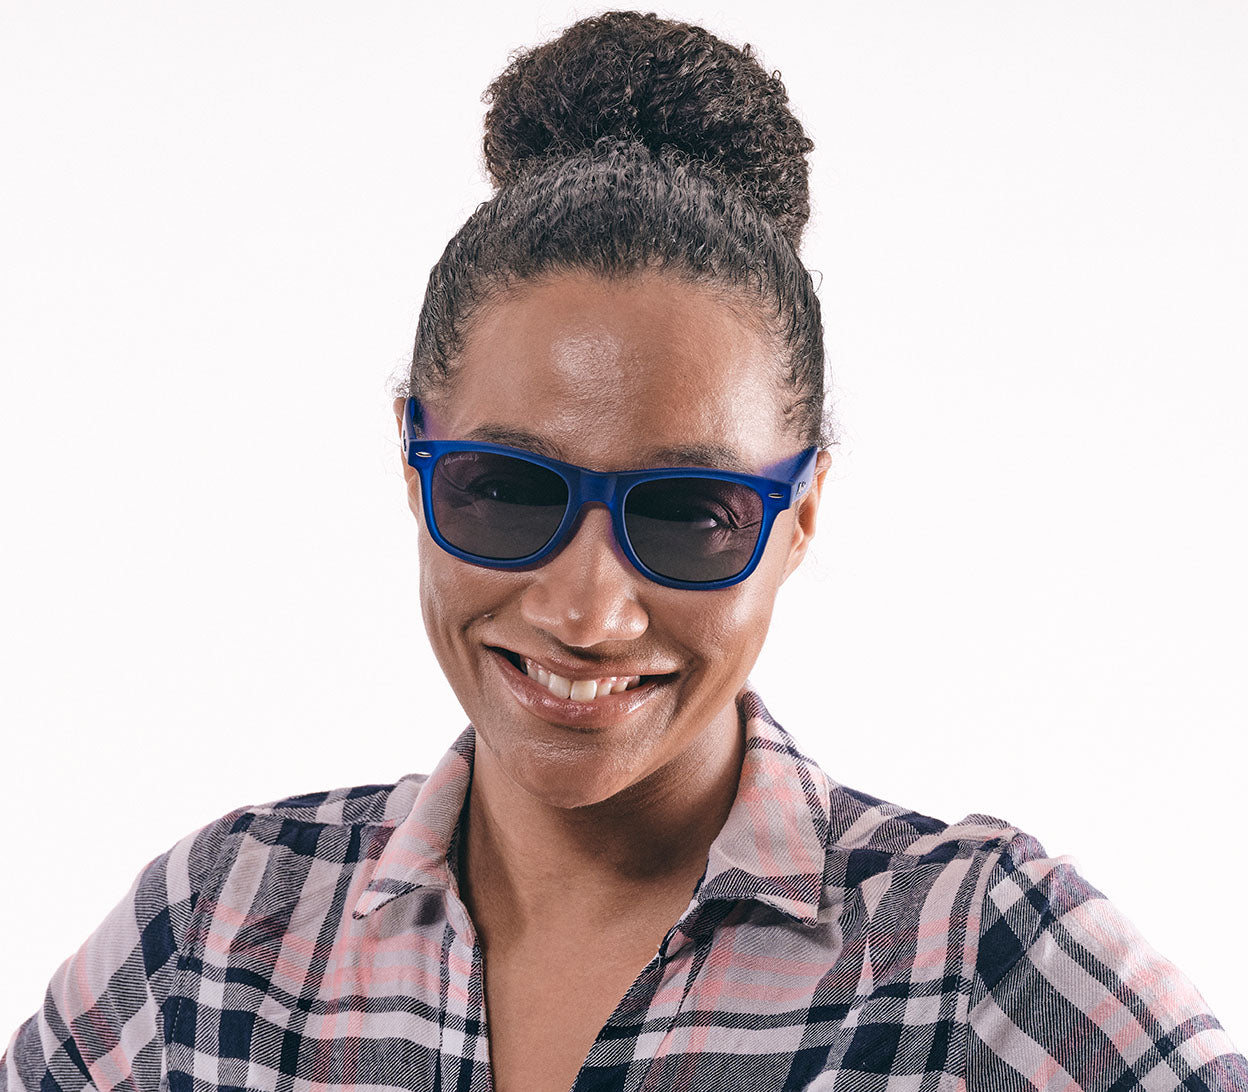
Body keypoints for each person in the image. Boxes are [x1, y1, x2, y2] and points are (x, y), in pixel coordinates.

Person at [3, 10, 1245, 1092]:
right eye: (505, 491)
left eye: (688, 513)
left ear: (800, 513)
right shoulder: (218, 937)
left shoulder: (974, 964)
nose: (590, 611)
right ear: (412, 459)